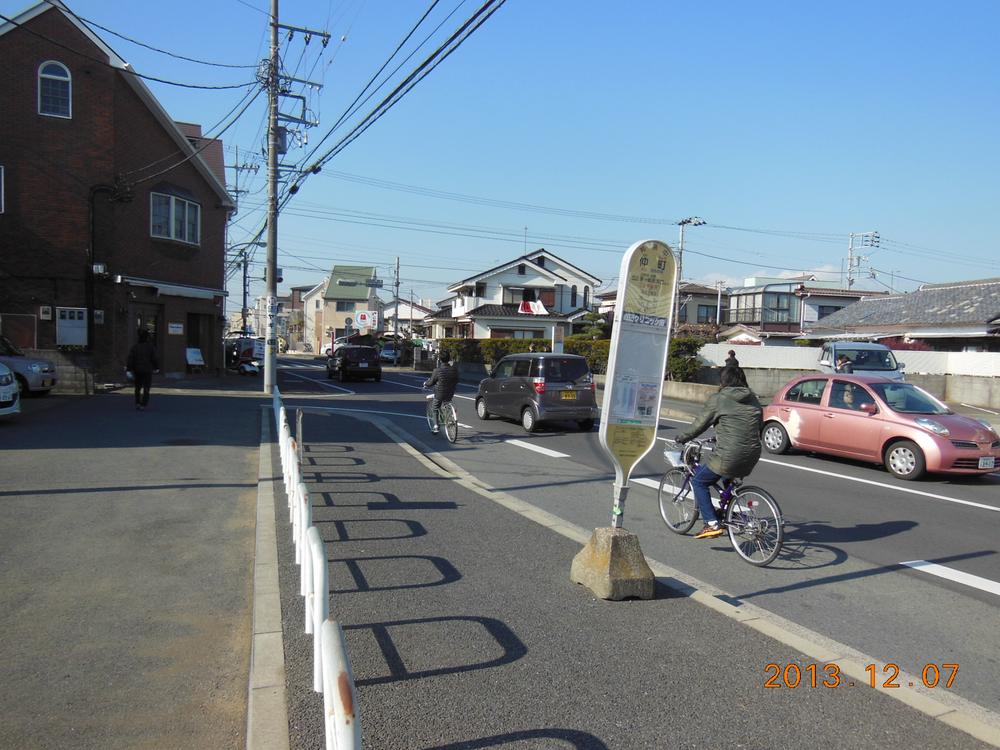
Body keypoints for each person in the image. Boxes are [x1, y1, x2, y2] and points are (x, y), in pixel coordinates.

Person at [674, 366, 763, 539]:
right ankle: (728, 511)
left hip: (730, 453)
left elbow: (701, 423)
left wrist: (683, 437)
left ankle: (711, 523)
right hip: (753, 452)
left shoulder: (719, 399)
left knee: (699, 481)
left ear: (723, 381)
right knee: (726, 477)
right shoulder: (753, 399)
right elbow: (757, 424)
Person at [423, 350, 459, 434]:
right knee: (446, 403)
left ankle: (436, 426)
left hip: (440, 393)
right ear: (449, 358)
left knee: (435, 407)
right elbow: (457, 380)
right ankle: (450, 418)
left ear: (440, 359)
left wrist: (425, 383)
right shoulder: (454, 369)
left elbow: (431, 382)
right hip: (450, 392)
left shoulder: (437, 370)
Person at [126, 328, 159, 411]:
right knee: (146, 387)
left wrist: (129, 369)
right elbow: (154, 358)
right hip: (147, 370)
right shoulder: (150, 347)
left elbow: (130, 359)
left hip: (137, 370)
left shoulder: (135, 347)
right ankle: (143, 404)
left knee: (137, 387)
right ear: (147, 337)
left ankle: (137, 403)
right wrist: (156, 367)